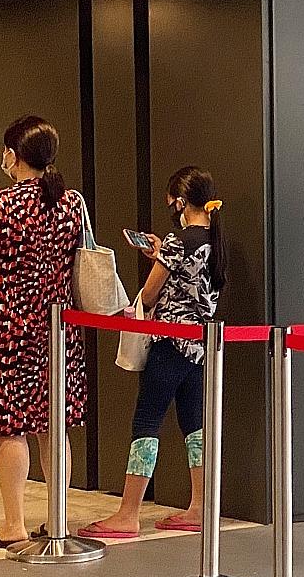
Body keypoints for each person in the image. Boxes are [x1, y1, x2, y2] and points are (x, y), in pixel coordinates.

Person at [80, 167, 228, 539]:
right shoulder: (214, 239)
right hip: (199, 345)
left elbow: (148, 295)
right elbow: (192, 281)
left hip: (168, 343)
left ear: (180, 200)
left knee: (146, 422)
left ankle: (128, 513)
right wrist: (162, 254)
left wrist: (162, 258)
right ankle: (201, 505)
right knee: (194, 424)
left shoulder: (179, 241)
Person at [0, 116, 88, 549]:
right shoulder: (71, 203)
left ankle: (14, 525)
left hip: (8, 328)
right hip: (58, 327)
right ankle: (57, 517)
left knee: (10, 426)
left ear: (13, 156)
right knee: (54, 425)